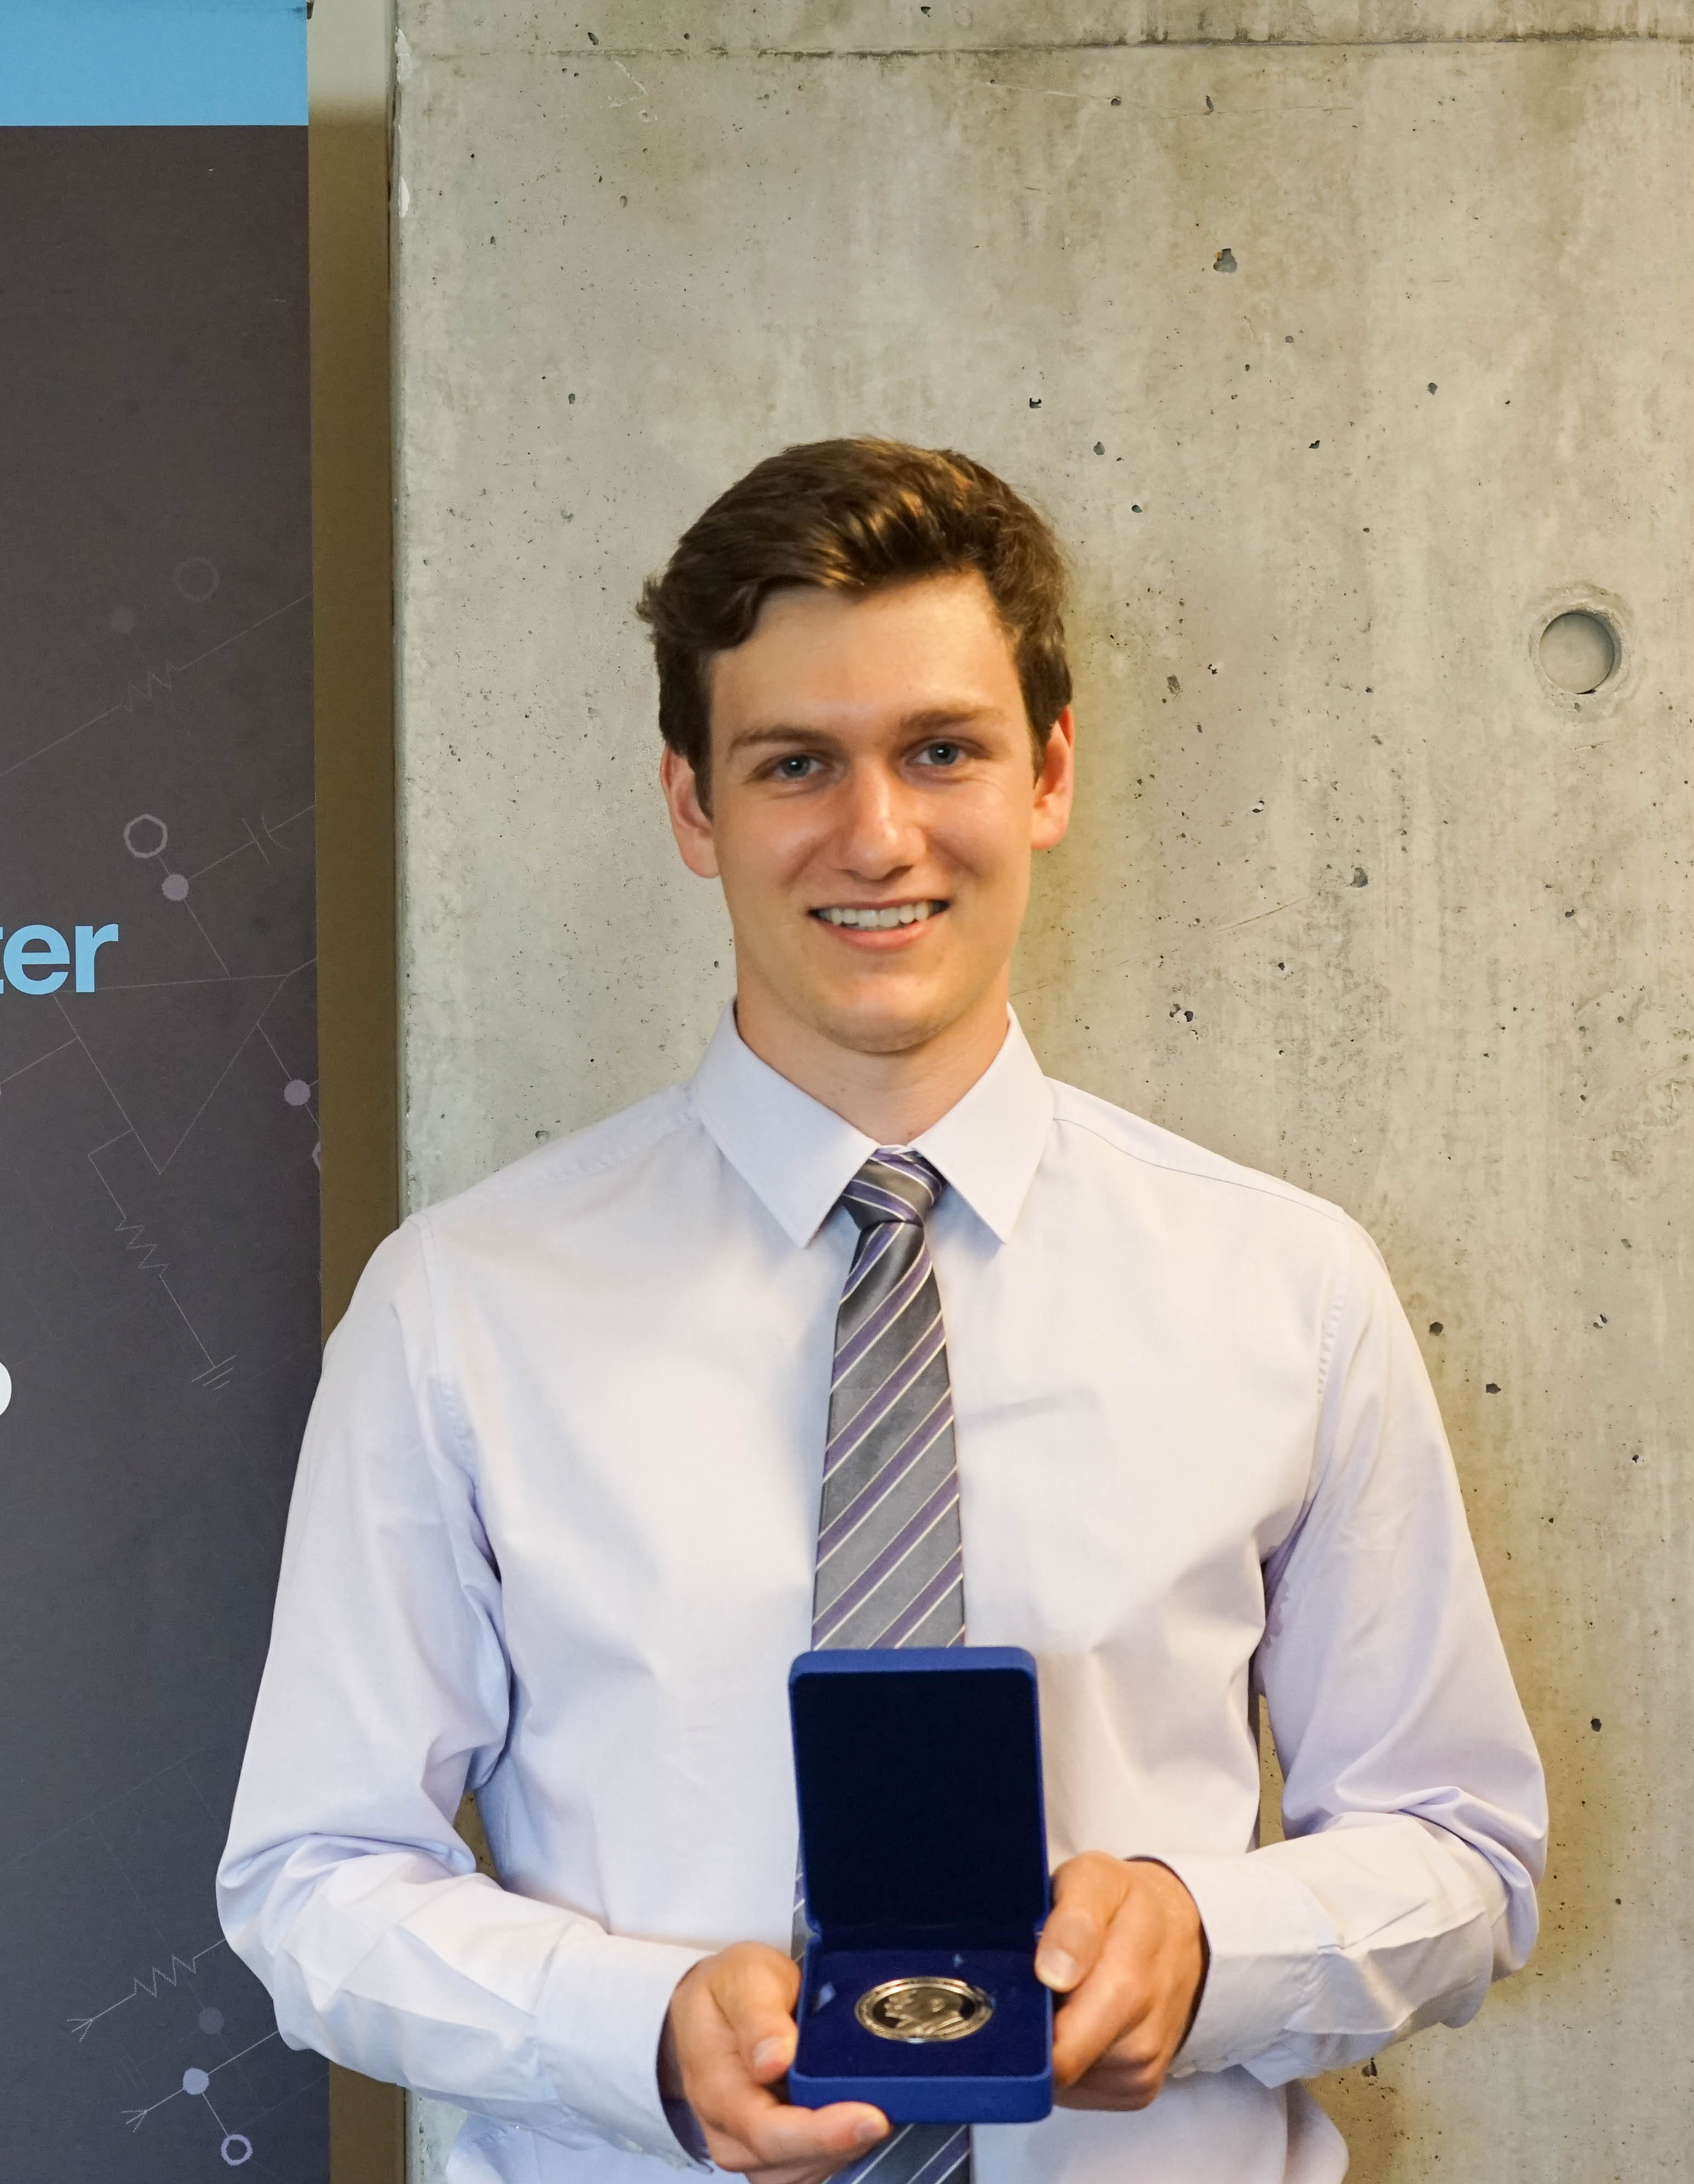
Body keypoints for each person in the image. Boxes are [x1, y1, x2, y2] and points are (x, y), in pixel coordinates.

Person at [216, 438, 1545, 2184]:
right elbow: (313, 1884)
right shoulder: (462, 1309)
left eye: (943, 750)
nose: (879, 836)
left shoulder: (1284, 1286)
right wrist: (642, 2034)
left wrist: (1210, 1946)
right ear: (695, 809)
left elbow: (1465, 1850)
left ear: (1049, 773)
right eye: (794, 764)